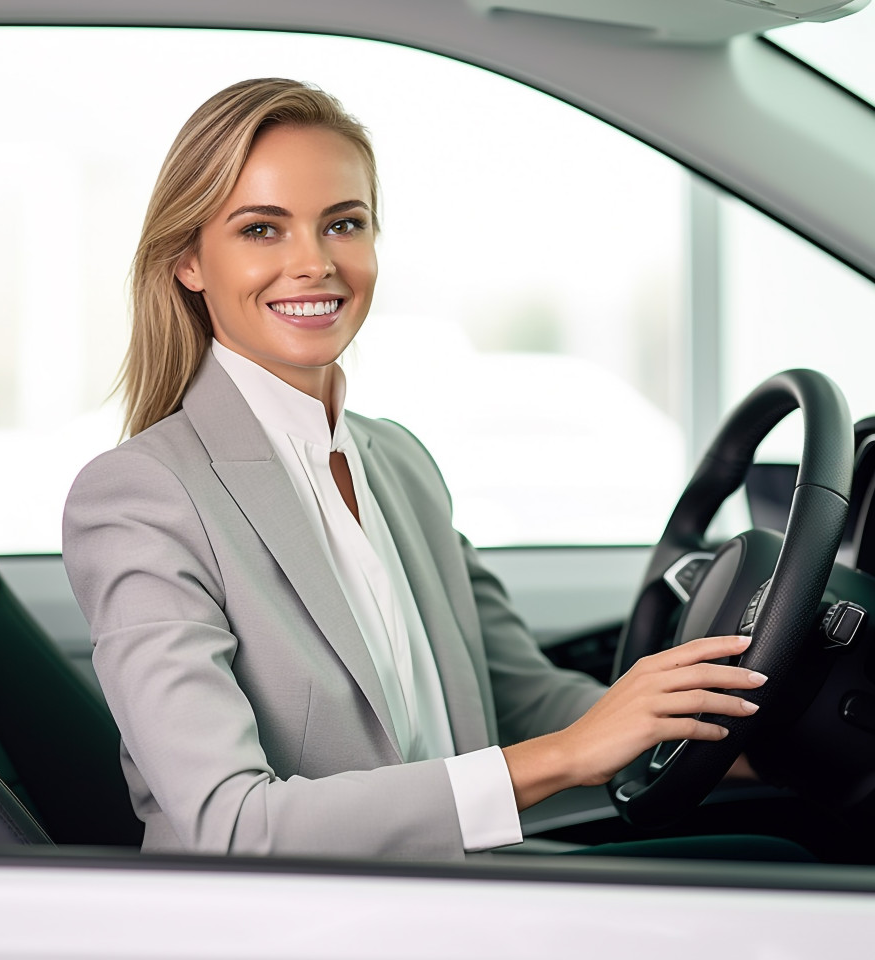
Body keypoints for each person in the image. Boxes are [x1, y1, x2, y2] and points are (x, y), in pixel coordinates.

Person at [62, 78, 766, 859]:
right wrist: (565, 757)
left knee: (778, 854)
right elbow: (233, 826)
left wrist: (720, 739)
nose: (314, 263)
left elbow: (520, 695)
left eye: (343, 224)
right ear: (189, 260)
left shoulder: (396, 461)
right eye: (262, 229)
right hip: (303, 923)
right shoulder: (141, 496)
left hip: (458, 889)